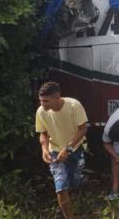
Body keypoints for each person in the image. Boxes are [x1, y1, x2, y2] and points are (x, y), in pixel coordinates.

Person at [35, 81, 88, 219]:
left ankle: (79, 182)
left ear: (57, 97)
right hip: (55, 151)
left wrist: (68, 149)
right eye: (41, 100)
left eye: (46, 101)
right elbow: (43, 133)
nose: (42, 104)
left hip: (75, 149)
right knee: (61, 185)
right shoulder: (41, 112)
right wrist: (44, 149)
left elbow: (83, 129)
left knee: (74, 181)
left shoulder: (74, 105)